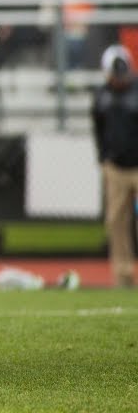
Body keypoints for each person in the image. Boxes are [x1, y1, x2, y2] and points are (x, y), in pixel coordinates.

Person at [93, 44, 138, 288]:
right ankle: (123, 276)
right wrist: (104, 159)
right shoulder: (102, 96)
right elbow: (98, 128)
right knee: (117, 222)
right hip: (116, 168)